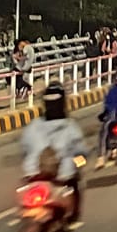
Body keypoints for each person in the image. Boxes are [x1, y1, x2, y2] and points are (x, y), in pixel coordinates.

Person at [20, 83, 89, 222]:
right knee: (76, 181)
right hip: (62, 176)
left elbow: (24, 148)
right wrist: (81, 160)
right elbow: (81, 150)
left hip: (32, 174)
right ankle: (72, 216)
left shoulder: (34, 125)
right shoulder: (70, 126)